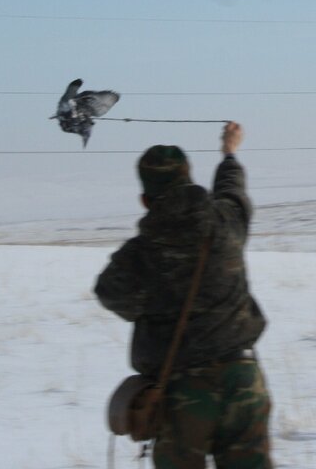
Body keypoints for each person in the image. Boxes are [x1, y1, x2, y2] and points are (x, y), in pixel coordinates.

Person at [95, 121, 274, 469]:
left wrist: (150, 307)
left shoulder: (140, 253)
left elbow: (109, 293)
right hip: (244, 379)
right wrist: (229, 152)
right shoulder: (227, 221)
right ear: (190, 182)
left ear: (145, 200)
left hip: (184, 394)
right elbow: (232, 189)